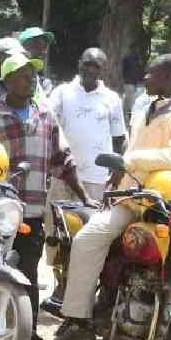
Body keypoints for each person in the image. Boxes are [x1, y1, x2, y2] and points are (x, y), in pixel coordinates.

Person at [48, 54, 171, 340]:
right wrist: (121, 172)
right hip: (134, 199)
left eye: (152, 74)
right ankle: (77, 318)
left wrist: (130, 161)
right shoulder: (147, 106)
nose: (146, 78)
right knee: (87, 239)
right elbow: (131, 150)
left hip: (169, 205)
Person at [0, 52, 97, 340]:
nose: (31, 79)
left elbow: (62, 161)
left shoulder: (45, 114)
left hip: (31, 212)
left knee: (28, 275)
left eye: (32, 74)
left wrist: (84, 196)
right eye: (23, 75)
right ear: (6, 81)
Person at [40, 48, 127, 317]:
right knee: (56, 234)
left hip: (96, 181)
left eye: (97, 66)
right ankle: (59, 286)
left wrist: (119, 166)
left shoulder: (112, 99)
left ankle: (78, 294)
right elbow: (46, 124)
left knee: (88, 238)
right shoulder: (63, 92)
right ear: (79, 64)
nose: (91, 70)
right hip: (63, 178)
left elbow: (120, 138)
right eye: (87, 64)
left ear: (104, 69)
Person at [18, 27, 54, 102]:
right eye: (37, 46)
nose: (43, 52)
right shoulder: (10, 80)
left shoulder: (44, 83)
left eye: (45, 47)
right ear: (23, 48)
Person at [121, 42, 144, 120]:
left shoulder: (138, 58)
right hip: (129, 81)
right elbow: (124, 69)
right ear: (132, 49)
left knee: (130, 99)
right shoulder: (127, 58)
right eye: (135, 48)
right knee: (130, 99)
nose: (137, 50)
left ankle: (126, 114)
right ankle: (129, 115)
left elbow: (140, 70)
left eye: (137, 49)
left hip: (135, 82)